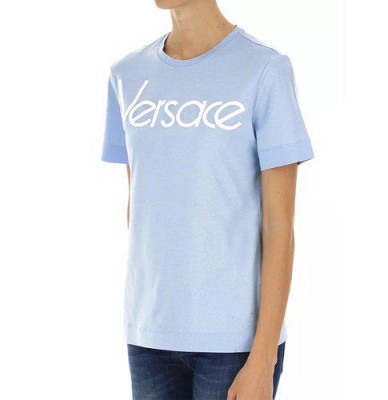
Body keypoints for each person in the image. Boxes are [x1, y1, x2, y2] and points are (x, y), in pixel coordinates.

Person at [101, 0, 314, 398]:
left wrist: (263, 357)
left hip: (235, 343)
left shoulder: (264, 69)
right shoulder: (126, 75)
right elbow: (141, 205)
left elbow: (279, 227)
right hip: (149, 335)